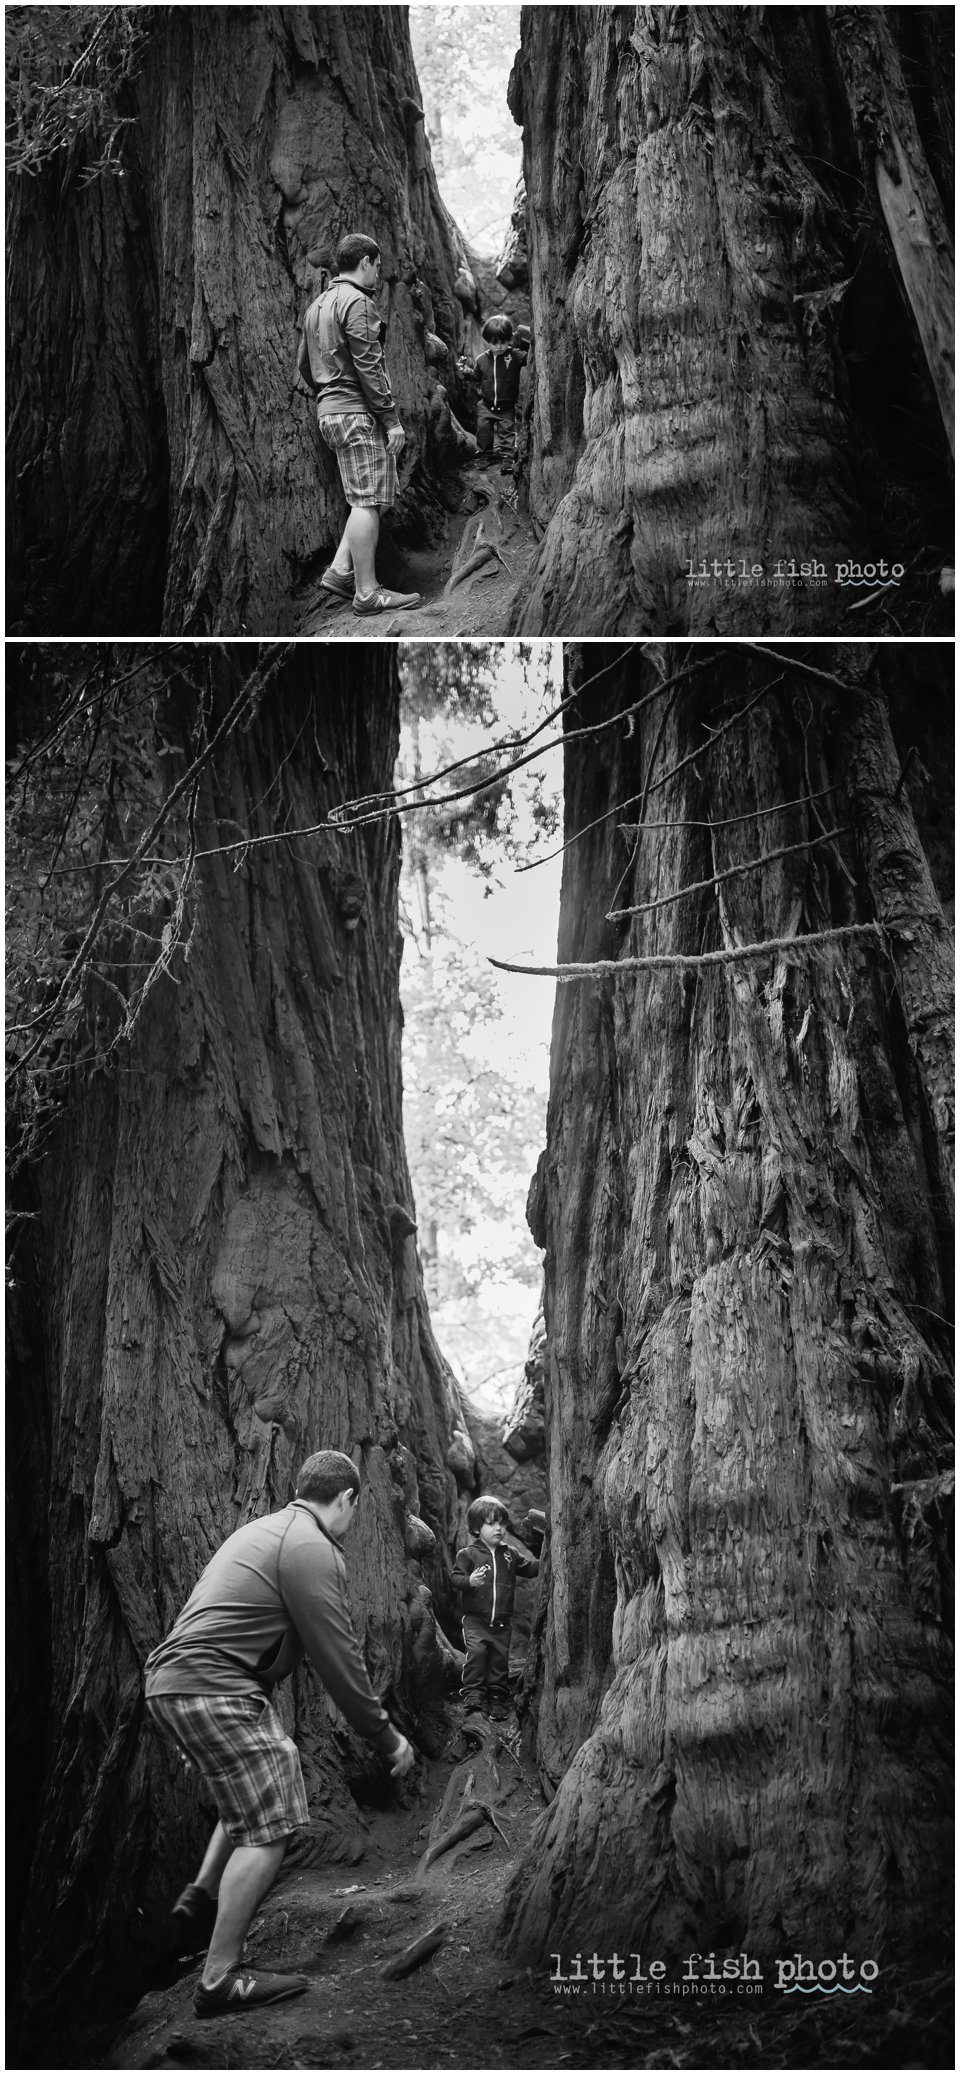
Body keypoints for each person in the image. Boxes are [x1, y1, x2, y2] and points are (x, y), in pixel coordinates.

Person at [144, 1450, 415, 2018]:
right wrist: (387, 1737)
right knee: (274, 1814)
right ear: (347, 1499)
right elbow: (339, 1658)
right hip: (214, 1685)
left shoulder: (265, 1530)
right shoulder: (310, 1545)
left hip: (177, 1680)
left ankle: (203, 1892)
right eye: (355, 1508)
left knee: (260, 1780)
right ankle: (220, 1979)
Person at [298, 232, 420, 616]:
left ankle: (339, 569)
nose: (378, 275)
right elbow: (369, 366)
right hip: (356, 411)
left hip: (329, 412)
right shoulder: (358, 302)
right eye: (377, 266)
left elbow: (304, 365)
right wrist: (391, 420)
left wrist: (328, 392)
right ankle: (367, 593)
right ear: (364, 262)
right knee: (368, 501)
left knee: (372, 496)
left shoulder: (317, 305)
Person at [450, 1494, 540, 1718]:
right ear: (476, 1528)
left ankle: (498, 1697)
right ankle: (474, 1693)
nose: (498, 1528)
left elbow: (529, 1569)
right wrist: (470, 1581)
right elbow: (455, 1578)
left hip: (502, 1622)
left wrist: (548, 1552)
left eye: (502, 1523)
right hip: (475, 1620)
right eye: (491, 1523)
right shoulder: (468, 1554)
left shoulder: (510, 1554)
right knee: (477, 1653)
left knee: (499, 1659)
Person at [459, 316, 528, 476]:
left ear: (509, 340)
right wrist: (465, 371)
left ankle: (507, 459)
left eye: (503, 342)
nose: (499, 346)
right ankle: (485, 456)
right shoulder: (482, 359)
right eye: (494, 342)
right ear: (487, 341)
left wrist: (526, 335)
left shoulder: (515, 355)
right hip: (486, 405)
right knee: (484, 431)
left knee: (507, 432)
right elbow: (477, 376)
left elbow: (531, 356)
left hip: (507, 406)